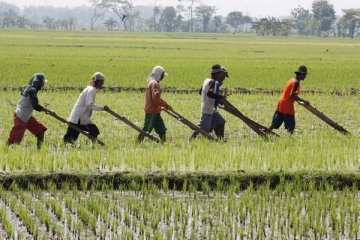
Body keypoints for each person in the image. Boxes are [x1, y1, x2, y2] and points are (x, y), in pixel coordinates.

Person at [7, 73, 53, 149]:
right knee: (13, 140)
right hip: (21, 117)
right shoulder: (32, 90)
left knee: (40, 131)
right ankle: (5, 151)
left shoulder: (29, 88)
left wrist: (46, 110)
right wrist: (47, 110)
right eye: (42, 83)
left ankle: (40, 152)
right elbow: (35, 106)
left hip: (26, 116)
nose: (43, 85)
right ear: (37, 83)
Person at [63, 72, 109, 144]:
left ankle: (92, 146)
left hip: (80, 117)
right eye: (102, 82)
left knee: (93, 131)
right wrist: (102, 108)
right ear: (97, 82)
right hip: (78, 118)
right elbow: (89, 105)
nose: (103, 84)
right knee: (71, 137)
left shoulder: (90, 89)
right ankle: (92, 146)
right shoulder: (91, 90)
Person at [191, 64, 228, 140]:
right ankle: (191, 140)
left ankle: (221, 139)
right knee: (202, 129)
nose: (221, 75)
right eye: (220, 73)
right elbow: (209, 93)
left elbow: (201, 92)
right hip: (208, 109)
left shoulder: (206, 80)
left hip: (210, 108)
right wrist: (221, 97)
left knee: (220, 122)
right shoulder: (213, 82)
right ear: (217, 74)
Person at [268, 65, 310, 134]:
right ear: (301, 74)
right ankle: (290, 141)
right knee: (290, 128)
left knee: (274, 124)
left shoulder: (291, 80)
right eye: (305, 75)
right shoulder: (296, 82)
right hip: (287, 106)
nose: (305, 77)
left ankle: (266, 132)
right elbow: (293, 95)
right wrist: (304, 101)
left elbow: (290, 94)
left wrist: (298, 101)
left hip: (281, 104)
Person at [137, 66, 171, 143]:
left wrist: (163, 105)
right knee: (147, 129)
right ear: (159, 74)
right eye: (162, 75)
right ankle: (138, 142)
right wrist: (165, 104)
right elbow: (156, 98)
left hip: (156, 110)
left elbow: (156, 98)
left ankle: (164, 143)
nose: (163, 77)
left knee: (161, 128)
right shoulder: (154, 84)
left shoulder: (152, 82)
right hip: (152, 110)